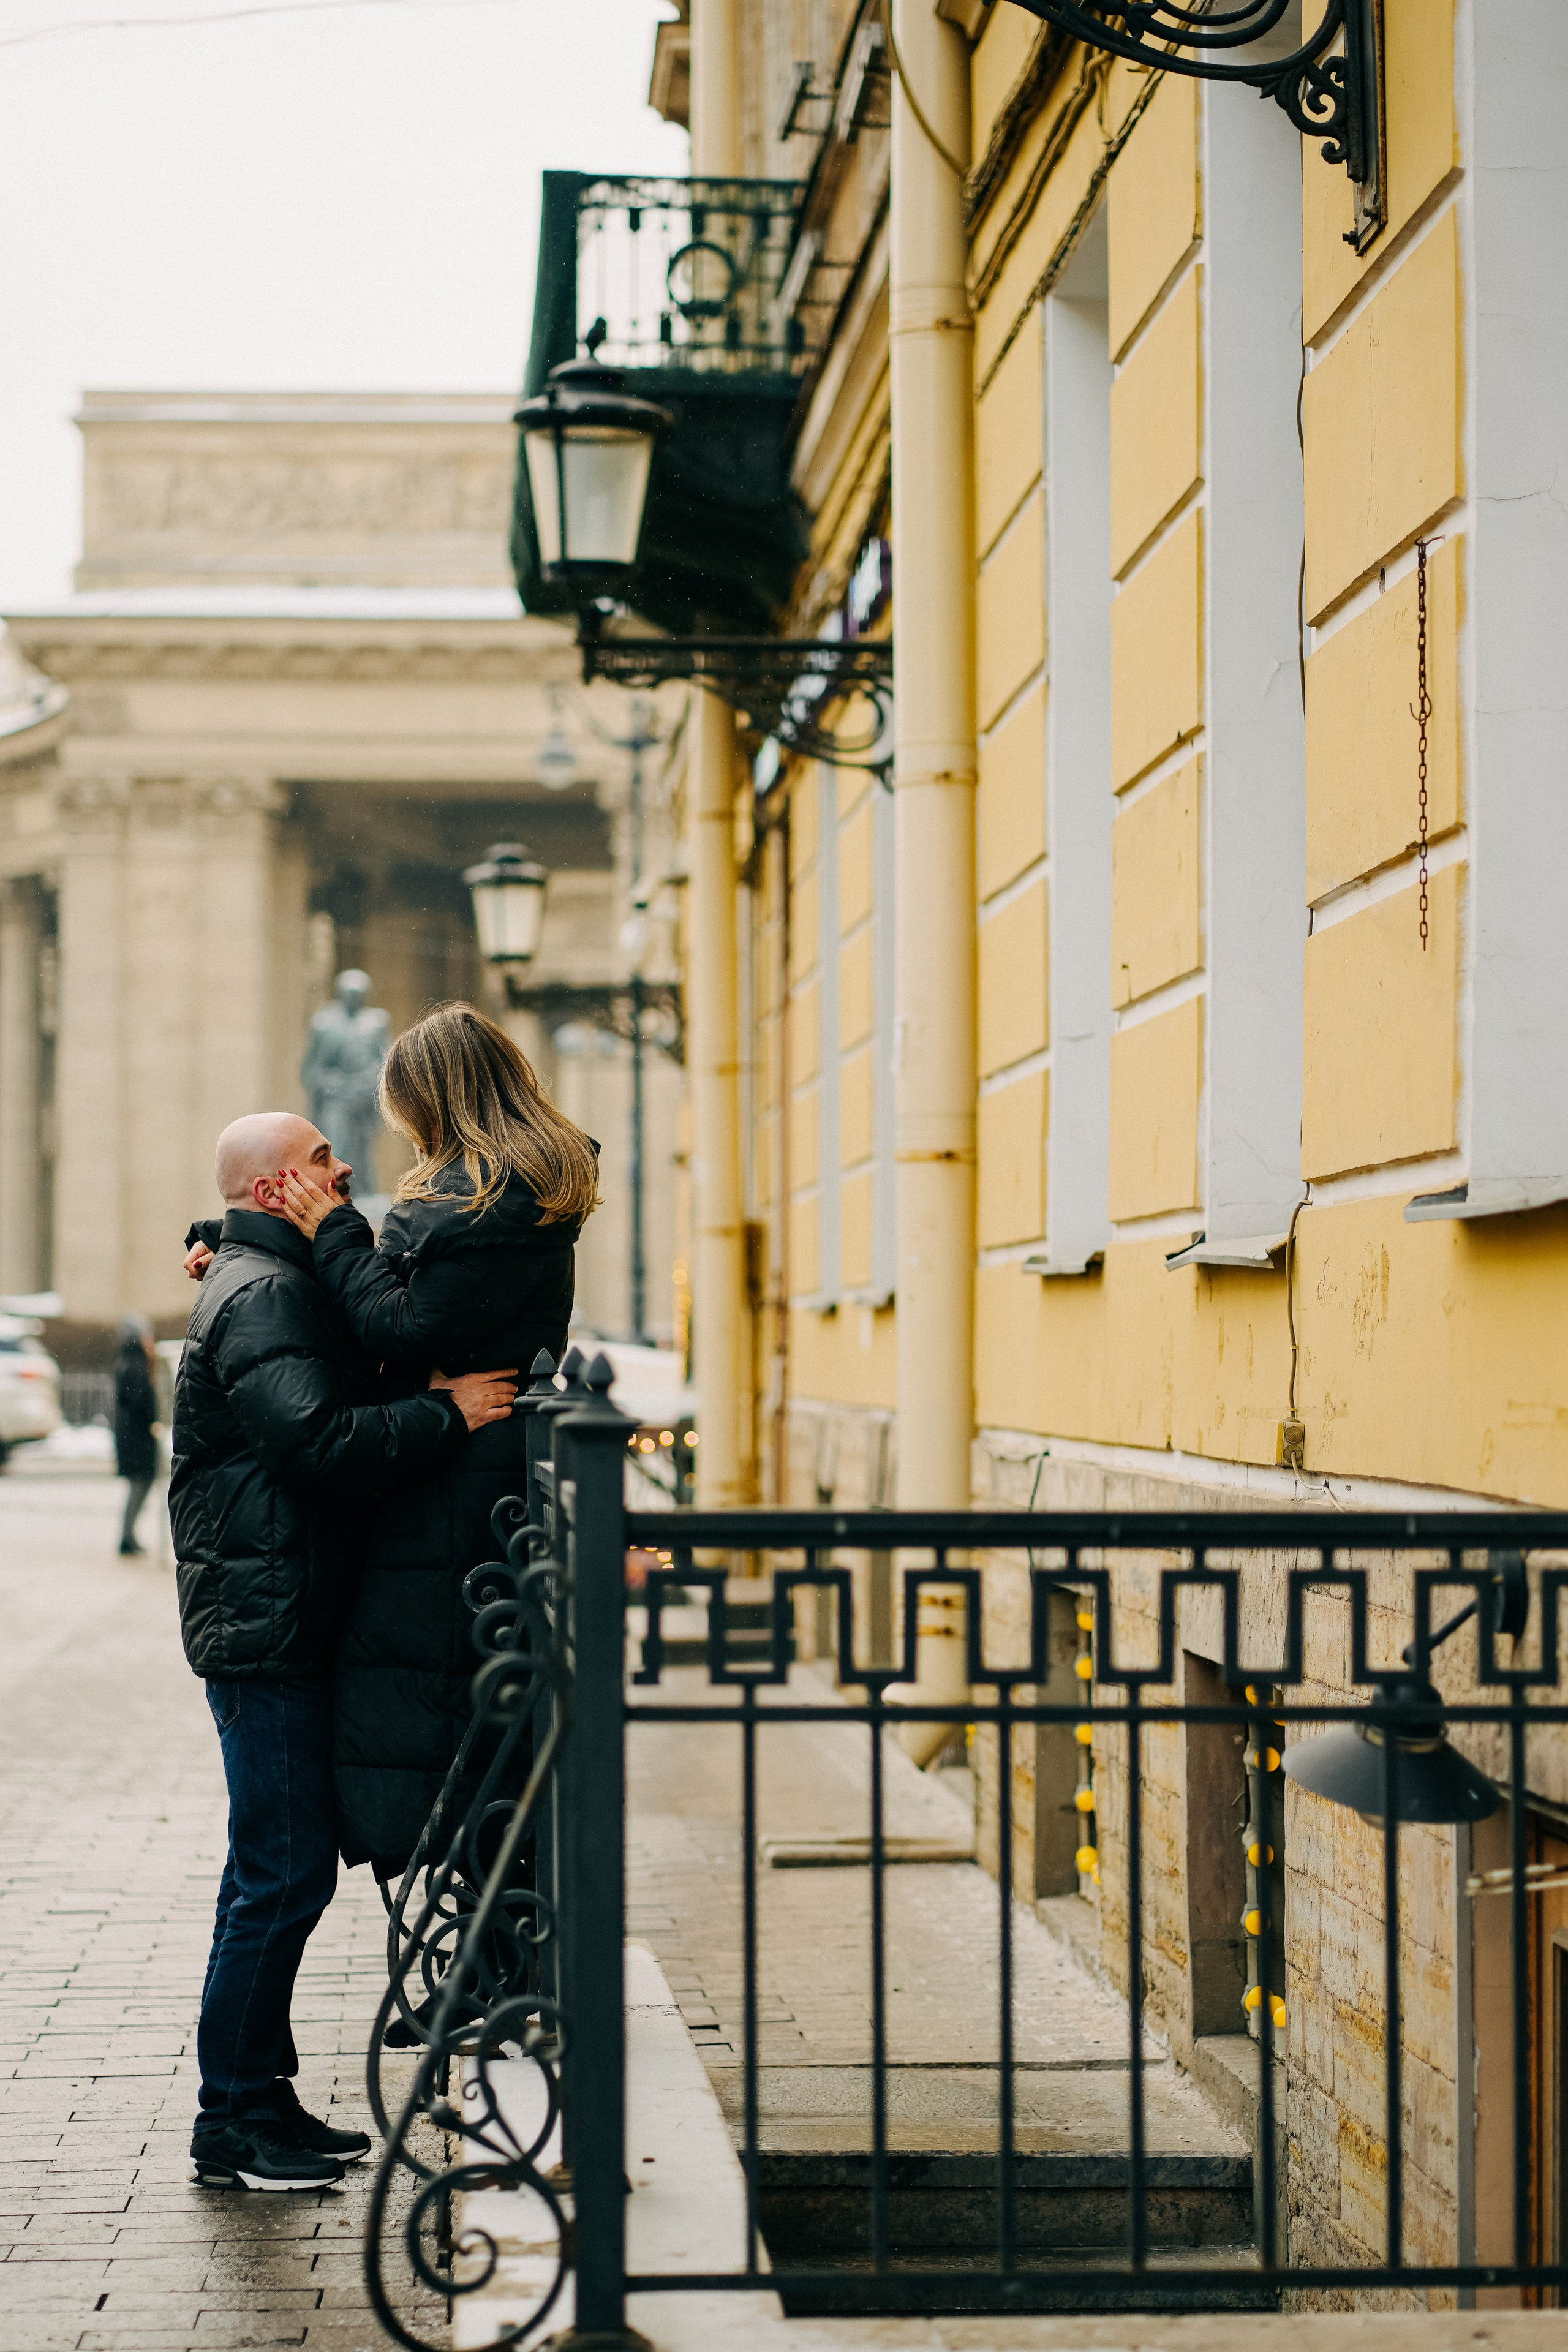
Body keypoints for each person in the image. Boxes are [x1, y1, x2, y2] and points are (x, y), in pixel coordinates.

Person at [170, 1109, 517, 2193]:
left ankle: (258, 2100)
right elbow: (316, 1442)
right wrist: (448, 1417)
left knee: (278, 1872)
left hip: (284, 1614)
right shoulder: (263, 1293)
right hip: (267, 1628)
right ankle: (231, 2121)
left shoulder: (265, 1275)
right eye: (321, 1157)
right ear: (277, 1190)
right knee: (277, 1877)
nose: (346, 1164)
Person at [271, 1001, 598, 1879]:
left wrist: (332, 1229)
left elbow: (397, 1323)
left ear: (430, 1099)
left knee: (437, 1696)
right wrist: (242, 1240)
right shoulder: (509, 1195)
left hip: (457, 1480)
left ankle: (486, 1956)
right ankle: (486, 1947)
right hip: (482, 1466)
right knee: (468, 1695)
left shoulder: (479, 1202)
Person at [112, 1313, 160, 1556]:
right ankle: (127, 1537)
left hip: (129, 1433)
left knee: (137, 1484)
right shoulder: (138, 1363)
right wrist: (154, 1421)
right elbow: (142, 1400)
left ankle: (128, 1535)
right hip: (138, 1435)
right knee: (141, 1482)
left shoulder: (125, 1361)